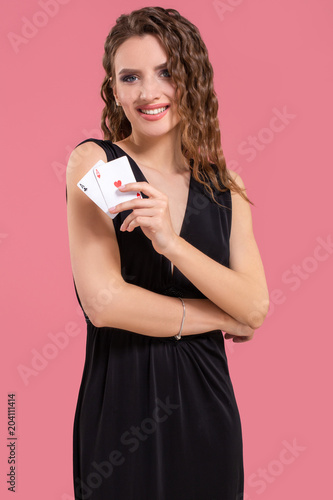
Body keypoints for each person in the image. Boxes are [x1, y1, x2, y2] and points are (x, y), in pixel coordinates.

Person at [66, 6, 269, 500]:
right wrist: (221, 315)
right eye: (130, 76)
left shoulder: (225, 187)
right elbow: (105, 301)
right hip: (122, 407)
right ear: (114, 89)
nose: (148, 92)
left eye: (166, 72)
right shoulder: (100, 163)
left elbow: (256, 307)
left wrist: (171, 244)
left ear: (191, 79)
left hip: (208, 410)